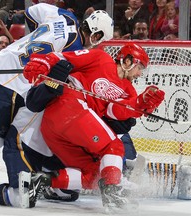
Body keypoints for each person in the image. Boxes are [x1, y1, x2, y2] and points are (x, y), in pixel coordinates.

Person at [0, 3, 112, 204]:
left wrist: (34, 39)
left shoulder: (65, 16)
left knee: (12, 134)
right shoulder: (75, 49)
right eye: (98, 40)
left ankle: (43, 180)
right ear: (96, 35)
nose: (94, 45)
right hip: (13, 82)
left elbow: (33, 11)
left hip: (3, 65)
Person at [23, 43, 165, 211]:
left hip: (59, 130)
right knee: (114, 146)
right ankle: (112, 193)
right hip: (67, 105)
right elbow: (65, 58)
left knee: (95, 175)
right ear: (128, 61)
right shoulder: (101, 58)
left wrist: (139, 104)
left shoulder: (129, 90)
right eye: (139, 67)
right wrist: (45, 62)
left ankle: (41, 180)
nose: (139, 73)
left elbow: (113, 111)